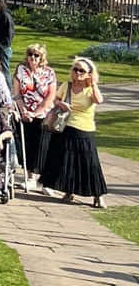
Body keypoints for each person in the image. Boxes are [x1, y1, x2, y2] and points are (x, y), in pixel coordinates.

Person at [44, 57, 108, 208]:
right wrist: (61, 104)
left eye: (82, 71)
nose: (78, 73)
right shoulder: (67, 85)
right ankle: (69, 190)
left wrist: (92, 83)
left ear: (88, 73)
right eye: (75, 69)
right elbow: (55, 100)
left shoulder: (90, 88)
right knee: (68, 161)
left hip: (85, 129)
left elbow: (99, 100)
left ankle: (97, 195)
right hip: (67, 126)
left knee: (90, 164)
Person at [13, 43, 57, 192]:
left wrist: (36, 112)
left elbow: (50, 97)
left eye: (36, 55)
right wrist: (24, 111)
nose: (32, 57)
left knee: (42, 146)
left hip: (43, 115)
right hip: (24, 112)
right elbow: (17, 94)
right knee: (27, 145)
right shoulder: (21, 70)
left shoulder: (49, 73)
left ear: (41, 57)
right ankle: (30, 177)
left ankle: (43, 180)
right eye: (30, 54)